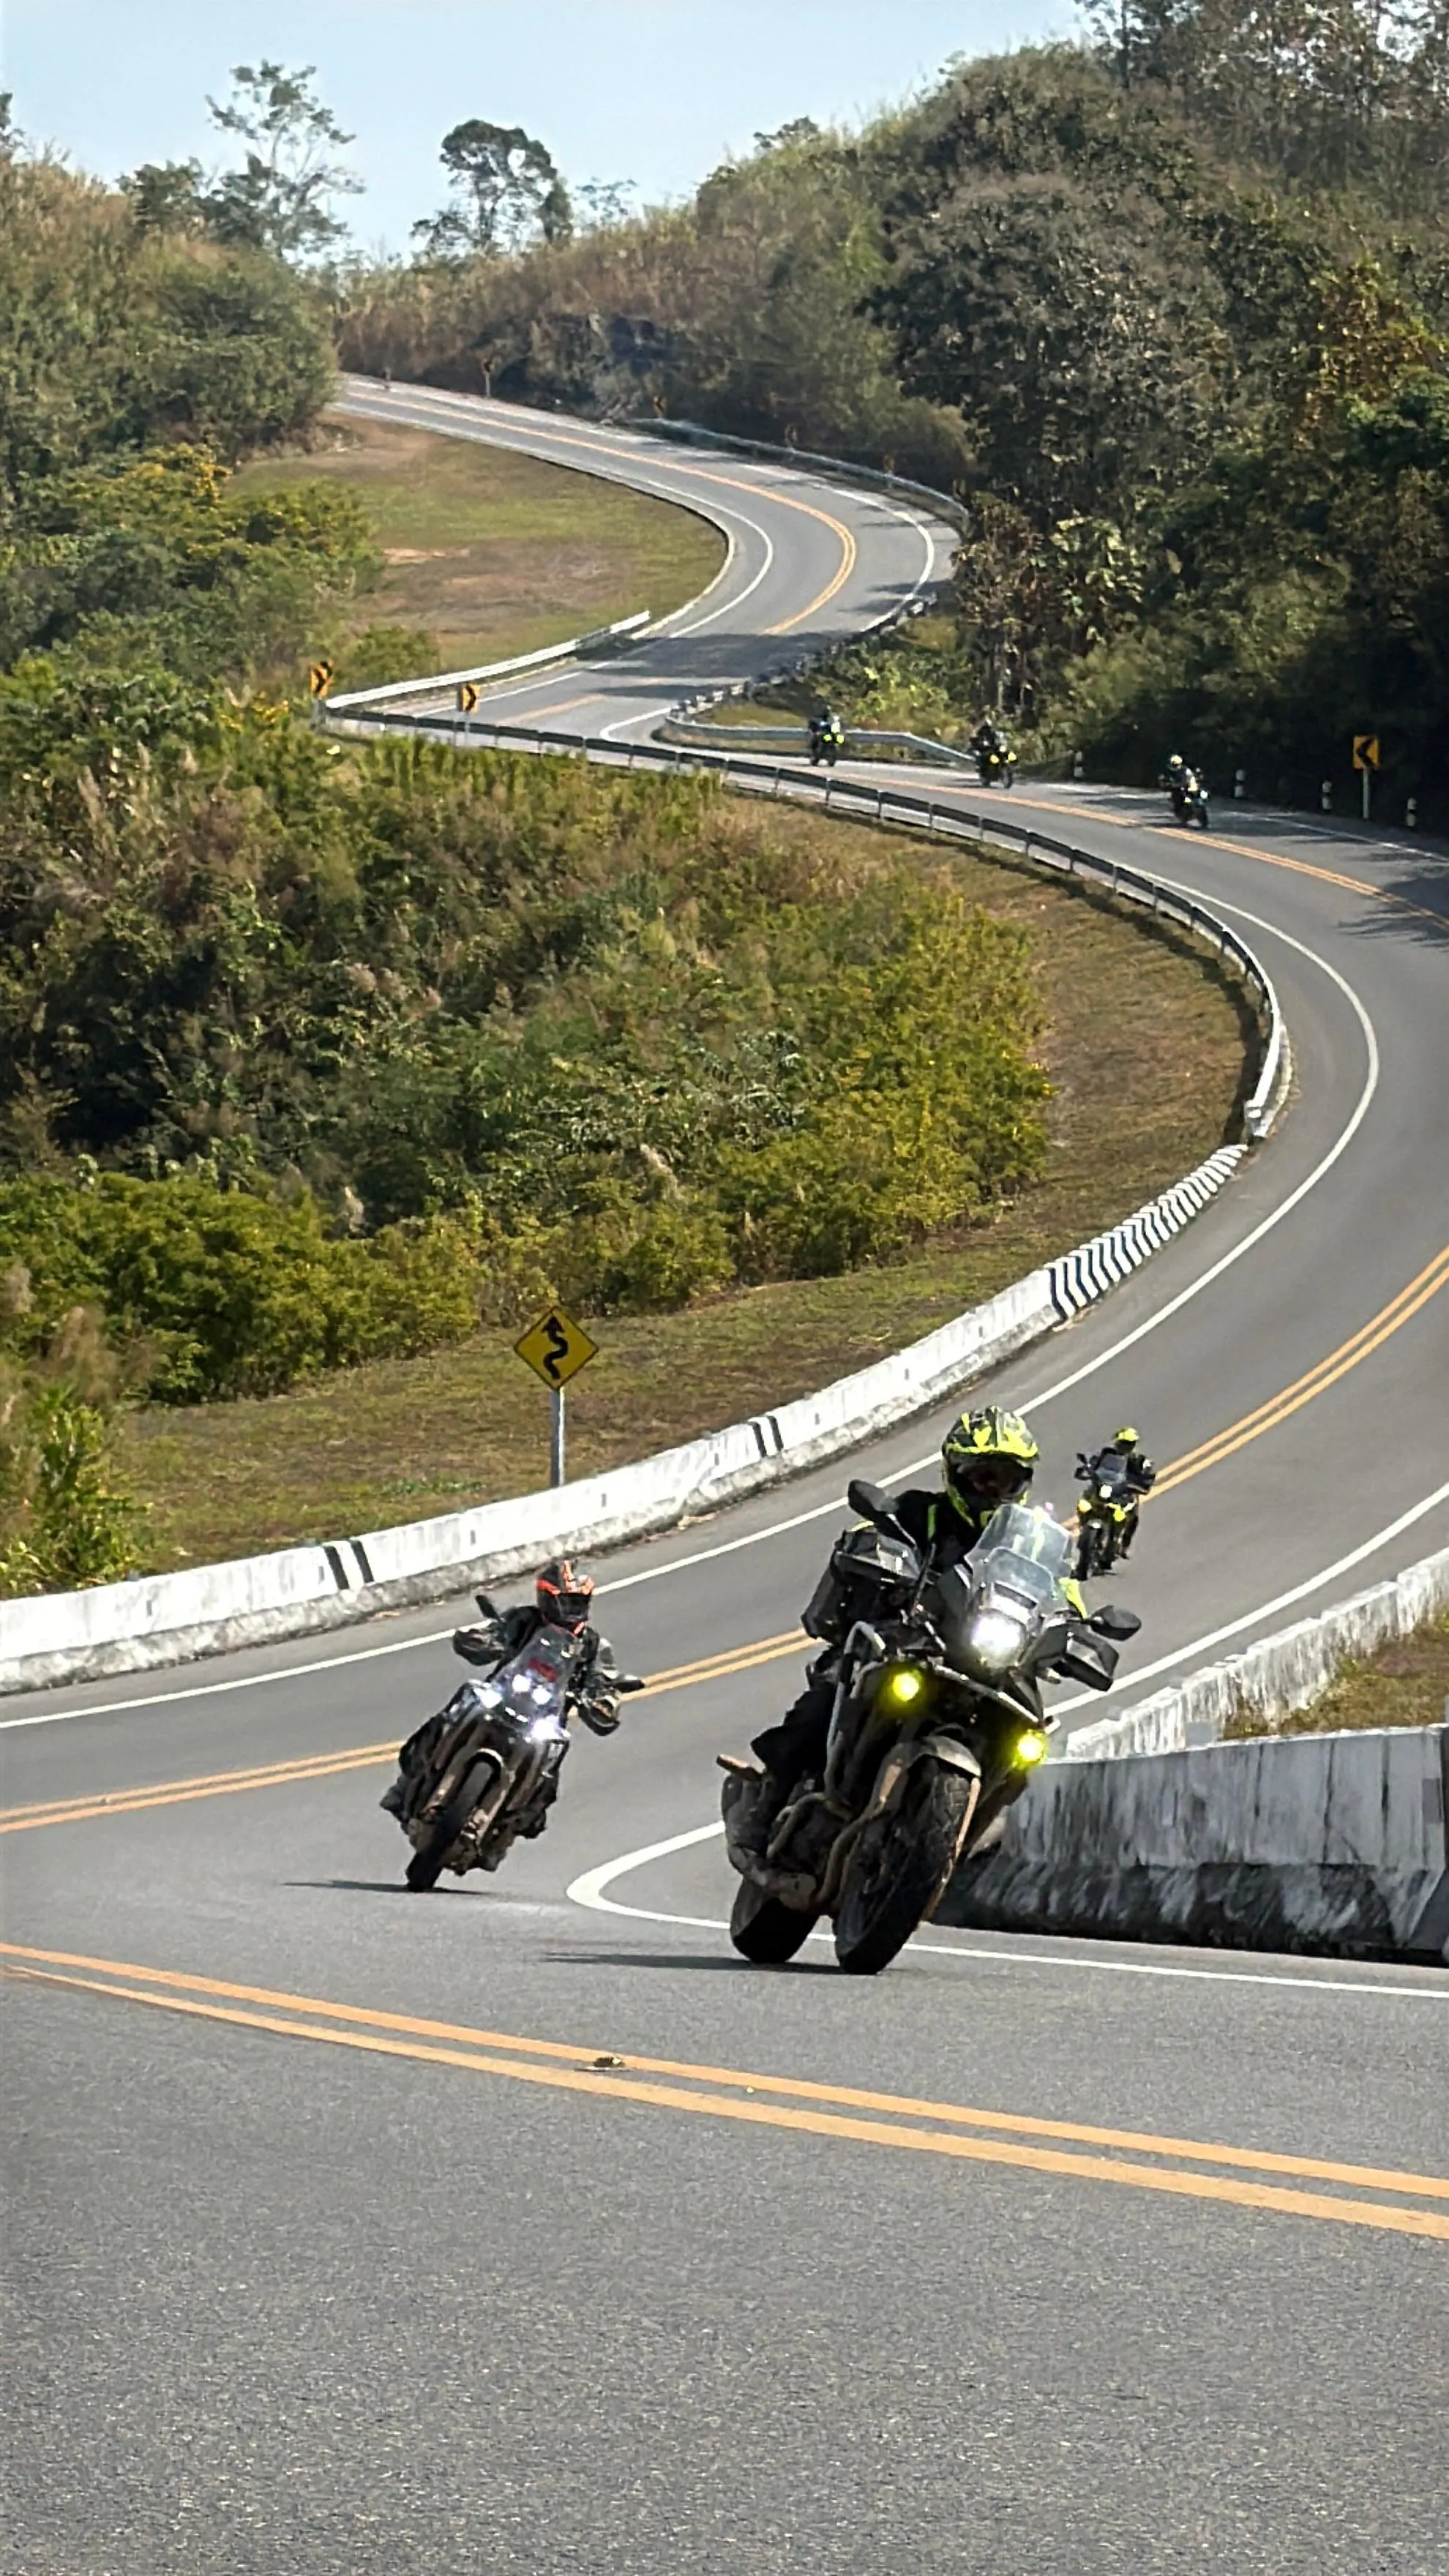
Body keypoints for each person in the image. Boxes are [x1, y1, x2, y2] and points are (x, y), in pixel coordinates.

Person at [748, 1405, 1048, 1804]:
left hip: (990, 1660)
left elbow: (1062, 1588)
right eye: (984, 1477)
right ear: (956, 1475)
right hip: (910, 1638)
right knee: (824, 1704)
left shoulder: (1031, 1542)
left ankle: (971, 1828)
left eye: (1007, 1480)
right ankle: (766, 1799)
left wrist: (1080, 1623)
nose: (994, 1491)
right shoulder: (920, 1512)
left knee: (1024, 1747)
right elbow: (876, 1529)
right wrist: (877, 1555)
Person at [381, 1559, 635, 1819]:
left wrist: (603, 1702)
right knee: (452, 1713)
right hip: (501, 1694)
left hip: (546, 1715)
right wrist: (479, 1640)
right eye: (567, 1602)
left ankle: (524, 1817)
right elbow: (496, 1632)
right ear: (547, 1598)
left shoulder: (593, 1645)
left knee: (550, 1770)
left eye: (578, 1602)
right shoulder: (524, 1619)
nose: (573, 1609)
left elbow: (604, 1679)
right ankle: (404, 1786)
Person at [1081, 1425, 1156, 1560]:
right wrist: (1088, 1468)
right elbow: (1094, 1463)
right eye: (1122, 1443)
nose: (1124, 1447)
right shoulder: (1106, 1453)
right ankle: (1084, 1525)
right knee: (1086, 1499)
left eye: (1128, 1444)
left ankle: (1123, 1546)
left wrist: (1142, 1482)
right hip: (1104, 1486)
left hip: (1122, 1493)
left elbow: (1145, 1476)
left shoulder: (1138, 1460)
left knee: (1133, 1513)